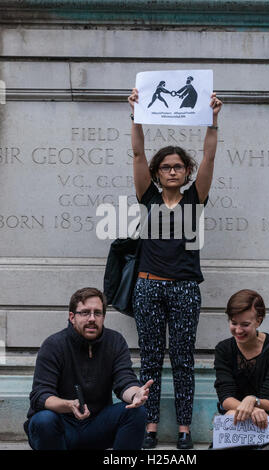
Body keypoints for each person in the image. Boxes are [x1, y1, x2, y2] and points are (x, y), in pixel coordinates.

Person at [128, 88, 222, 449]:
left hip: (184, 288)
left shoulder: (195, 199)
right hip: (148, 286)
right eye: (165, 166)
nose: (171, 170)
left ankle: (184, 429)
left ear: (185, 172)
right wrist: (135, 113)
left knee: (182, 360)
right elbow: (137, 151)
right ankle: (148, 427)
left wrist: (213, 120)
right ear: (157, 172)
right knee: (150, 359)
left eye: (177, 166)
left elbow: (210, 157)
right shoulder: (147, 197)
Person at [24, 287, 153, 450]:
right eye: (85, 313)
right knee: (44, 420)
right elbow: (40, 395)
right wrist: (69, 405)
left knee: (136, 412)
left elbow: (124, 380)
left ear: (103, 317)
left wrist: (136, 395)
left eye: (97, 313)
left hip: (97, 425)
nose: (92, 318)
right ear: (72, 317)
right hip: (62, 427)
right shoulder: (54, 345)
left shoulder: (115, 341)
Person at [214, 289, 269, 430]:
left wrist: (253, 400)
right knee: (231, 415)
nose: (238, 330)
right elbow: (225, 397)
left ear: (258, 321)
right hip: (236, 413)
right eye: (234, 323)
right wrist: (251, 408)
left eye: (245, 324)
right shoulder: (224, 349)